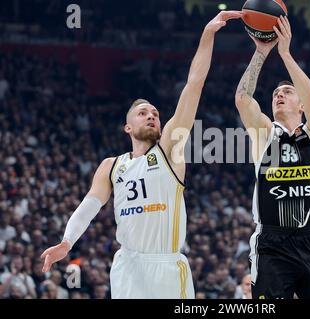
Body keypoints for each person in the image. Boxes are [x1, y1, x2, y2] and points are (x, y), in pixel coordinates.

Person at [40, 10, 243, 299]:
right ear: (127, 126)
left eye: (155, 113)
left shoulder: (170, 149)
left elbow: (194, 83)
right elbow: (89, 206)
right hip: (128, 266)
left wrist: (207, 35)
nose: (151, 116)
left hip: (167, 266)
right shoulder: (111, 166)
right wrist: (67, 242)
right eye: (142, 112)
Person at [234, 16, 310, 299]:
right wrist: (261, 52)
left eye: (287, 92)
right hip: (271, 242)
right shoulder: (265, 134)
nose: (279, 95)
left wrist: (285, 53)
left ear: (301, 104)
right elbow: (243, 99)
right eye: (276, 93)